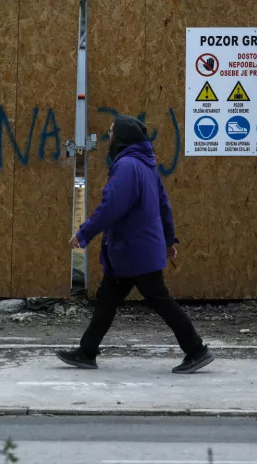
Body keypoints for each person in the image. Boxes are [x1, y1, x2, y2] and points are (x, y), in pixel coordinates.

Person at [57, 115, 214, 374]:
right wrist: (167, 239)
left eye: (111, 132)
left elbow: (111, 206)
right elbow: (164, 204)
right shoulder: (145, 164)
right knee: (108, 298)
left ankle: (196, 350)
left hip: (134, 251)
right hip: (133, 251)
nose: (108, 137)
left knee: (159, 299)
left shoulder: (128, 166)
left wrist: (84, 233)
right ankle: (86, 352)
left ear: (122, 137)